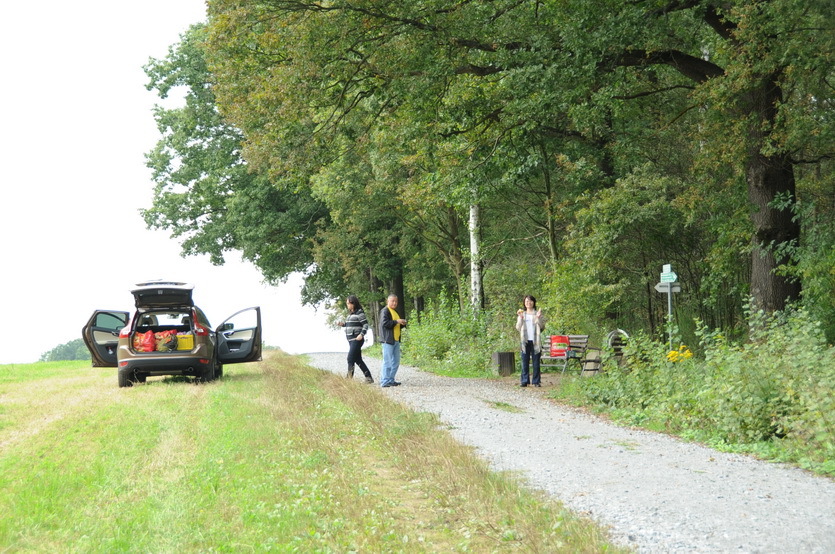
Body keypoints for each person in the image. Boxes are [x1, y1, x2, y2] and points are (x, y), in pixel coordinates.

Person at [337, 295, 374, 383]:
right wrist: (342, 324)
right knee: (358, 359)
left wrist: (361, 334)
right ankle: (368, 377)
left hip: (357, 339)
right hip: (351, 340)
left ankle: (349, 378)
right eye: (347, 303)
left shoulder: (360, 313)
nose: (347, 305)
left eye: (348, 303)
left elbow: (365, 325)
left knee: (350, 358)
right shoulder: (350, 314)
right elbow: (349, 324)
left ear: (353, 303)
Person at [516, 295, 546, 387]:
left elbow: (542, 327)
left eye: (530, 301)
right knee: (524, 362)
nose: (529, 303)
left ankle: (536, 381)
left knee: (536, 362)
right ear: (524, 303)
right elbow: (518, 327)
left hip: (535, 341)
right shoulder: (522, 314)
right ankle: (524, 381)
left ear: (534, 302)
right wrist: (520, 318)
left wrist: (538, 318)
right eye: (527, 301)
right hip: (524, 341)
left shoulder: (537, 313)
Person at [379, 293, 407, 388]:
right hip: (388, 340)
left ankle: (391, 379)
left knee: (396, 361)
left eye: (396, 301)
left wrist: (402, 323)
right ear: (388, 301)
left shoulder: (395, 312)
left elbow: (395, 325)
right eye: (392, 301)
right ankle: (384, 381)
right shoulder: (385, 311)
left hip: (396, 340)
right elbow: (385, 323)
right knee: (387, 361)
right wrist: (397, 322)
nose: (394, 303)